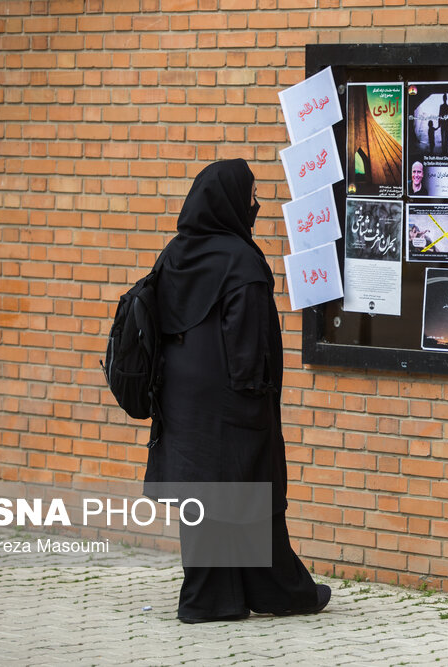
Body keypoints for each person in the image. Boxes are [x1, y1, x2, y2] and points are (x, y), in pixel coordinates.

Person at [145, 159, 330, 623]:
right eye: (250, 196)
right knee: (248, 488)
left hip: (183, 400)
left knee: (206, 496)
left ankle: (217, 596)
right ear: (229, 202)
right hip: (232, 397)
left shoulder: (175, 254)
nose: (255, 205)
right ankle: (272, 591)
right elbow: (248, 343)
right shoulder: (241, 261)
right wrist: (256, 394)